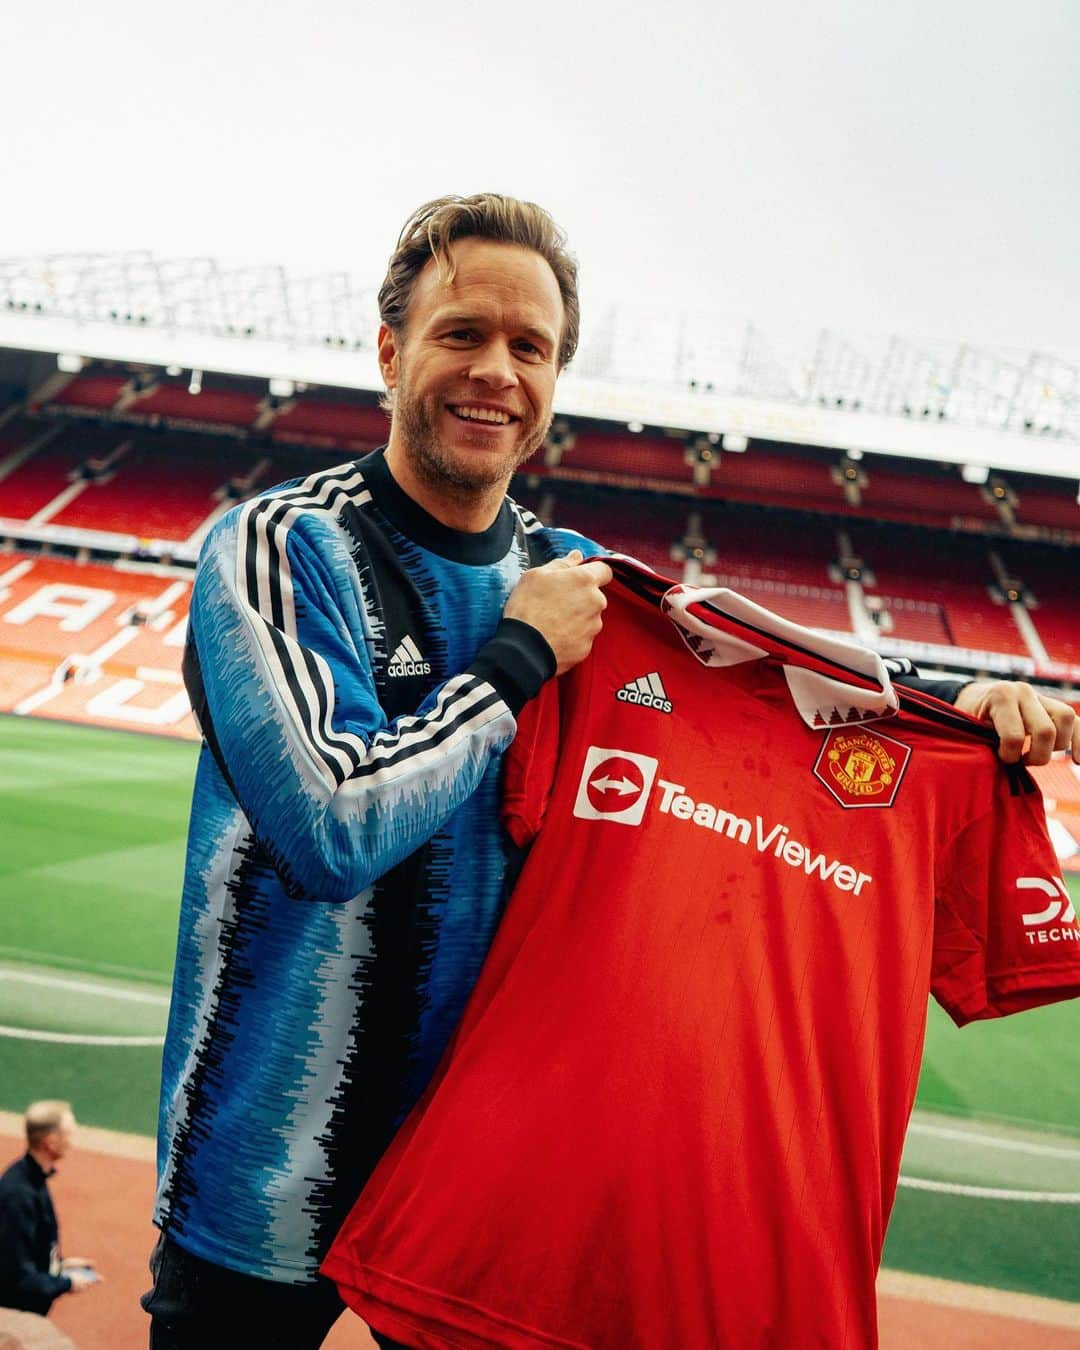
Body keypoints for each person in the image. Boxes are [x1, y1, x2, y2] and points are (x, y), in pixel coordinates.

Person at [142, 192, 1079, 1350]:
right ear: (389, 351)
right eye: (461, 333)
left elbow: (771, 702)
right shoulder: (281, 546)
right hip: (263, 1164)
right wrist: (517, 657)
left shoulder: (585, 576)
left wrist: (956, 716)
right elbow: (327, 828)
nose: (495, 370)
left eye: (529, 347)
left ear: (554, 382)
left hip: (483, 1183)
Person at [0, 1101, 99, 1315]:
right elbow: (18, 1278)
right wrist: (66, 1283)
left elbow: (25, 1250)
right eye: (69, 1134)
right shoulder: (18, 1195)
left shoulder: (32, 1179)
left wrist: (60, 1265)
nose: (73, 1142)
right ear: (50, 1142)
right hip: (17, 1320)